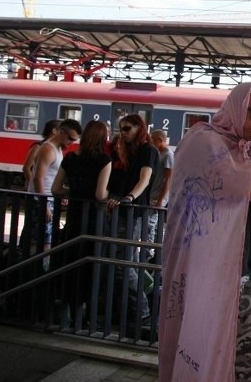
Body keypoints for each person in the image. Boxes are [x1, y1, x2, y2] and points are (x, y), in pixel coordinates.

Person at [159, 82, 251, 382]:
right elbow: (242, 189)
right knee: (201, 358)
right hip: (204, 276)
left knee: (247, 369)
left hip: (242, 273)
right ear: (235, 107)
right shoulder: (204, 141)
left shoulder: (245, 150)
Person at [51, 120, 111, 320]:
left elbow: (56, 189)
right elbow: (100, 194)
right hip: (94, 220)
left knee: (72, 264)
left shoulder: (69, 158)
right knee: (92, 267)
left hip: (74, 218)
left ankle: (68, 312)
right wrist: (112, 194)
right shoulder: (104, 160)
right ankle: (86, 317)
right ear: (103, 138)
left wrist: (74, 191)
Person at [106, 114, 158, 325]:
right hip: (125, 210)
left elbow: (144, 179)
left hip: (133, 212)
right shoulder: (127, 151)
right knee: (127, 264)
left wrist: (129, 198)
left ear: (139, 128)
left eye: (127, 128)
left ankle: (141, 312)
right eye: (121, 129)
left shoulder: (148, 150)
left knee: (123, 265)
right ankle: (131, 312)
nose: (123, 133)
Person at [23, 118, 82, 262]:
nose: (72, 142)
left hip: (47, 200)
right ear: (61, 132)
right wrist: (44, 205)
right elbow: (38, 178)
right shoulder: (48, 149)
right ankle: (38, 270)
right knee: (41, 241)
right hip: (42, 201)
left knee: (44, 240)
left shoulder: (57, 149)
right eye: (70, 138)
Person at [148, 129, 174, 257]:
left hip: (158, 196)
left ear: (159, 140)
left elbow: (168, 179)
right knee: (152, 225)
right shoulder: (160, 154)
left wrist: (160, 200)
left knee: (150, 225)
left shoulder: (168, 155)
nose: (151, 142)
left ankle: (148, 251)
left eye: (153, 139)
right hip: (154, 194)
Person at [23, 119, 61, 187]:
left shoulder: (56, 149)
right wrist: (34, 185)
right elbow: (26, 168)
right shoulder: (38, 146)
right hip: (38, 190)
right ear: (54, 131)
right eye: (60, 131)